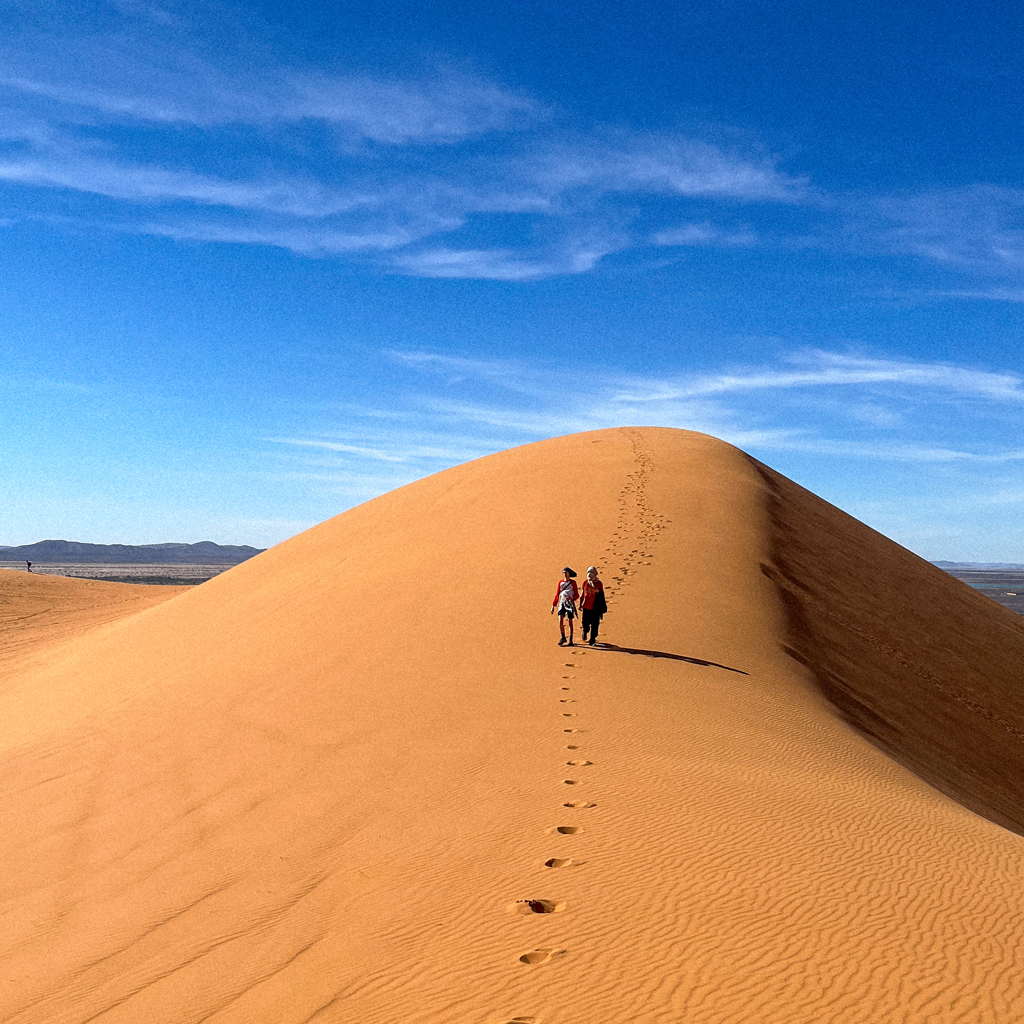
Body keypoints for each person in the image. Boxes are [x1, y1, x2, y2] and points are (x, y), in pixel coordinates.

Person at [551, 566, 579, 646]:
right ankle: (563, 637)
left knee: (570, 621)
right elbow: (557, 594)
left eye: (566, 572)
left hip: (569, 603)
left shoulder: (573, 583)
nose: (564, 574)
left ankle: (571, 639)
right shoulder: (560, 582)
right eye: (563, 572)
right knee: (560, 620)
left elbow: (577, 595)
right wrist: (553, 605)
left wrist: (572, 598)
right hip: (562, 603)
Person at [579, 565, 606, 645]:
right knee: (585, 623)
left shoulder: (599, 584)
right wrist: (580, 604)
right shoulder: (585, 582)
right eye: (588, 572)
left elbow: (602, 596)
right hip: (586, 607)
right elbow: (582, 594)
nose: (589, 574)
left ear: (595, 574)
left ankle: (592, 639)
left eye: (591, 573)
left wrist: (598, 591)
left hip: (595, 608)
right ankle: (585, 631)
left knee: (595, 624)